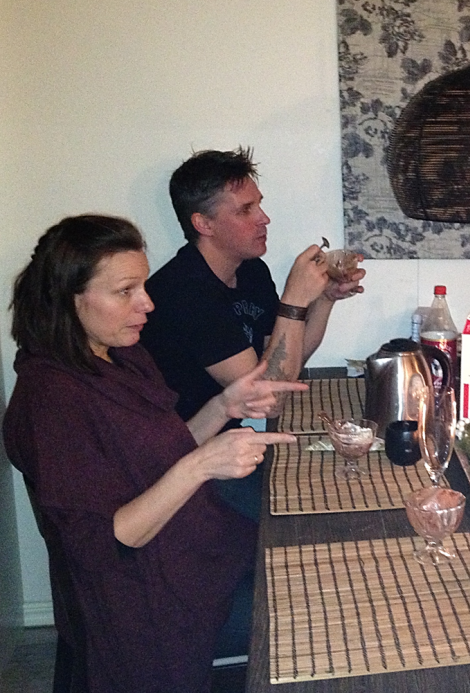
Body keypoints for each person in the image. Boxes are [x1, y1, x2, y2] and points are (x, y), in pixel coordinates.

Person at [3, 215, 303, 691]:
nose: (147, 303)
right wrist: (201, 466)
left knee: (311, 553)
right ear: (68, 298)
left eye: (142, 286)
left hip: (195, 548)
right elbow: (107, 542)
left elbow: (161, 452)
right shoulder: (52, 401)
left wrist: (224, 405)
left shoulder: (117, 355)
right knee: (311, 598)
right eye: (126, 291)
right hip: (145, 602)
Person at [141, 147, 365, 517]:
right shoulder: (185, 291)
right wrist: (295, 299)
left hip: (228, 443)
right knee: (318, 505)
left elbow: (284, 364)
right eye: (246, 210)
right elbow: (269, 397)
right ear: (204, 224)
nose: (264, 218)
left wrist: (324, 298)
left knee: (344, 479)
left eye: (259, 204)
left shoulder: (250, 271)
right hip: (180, 463)